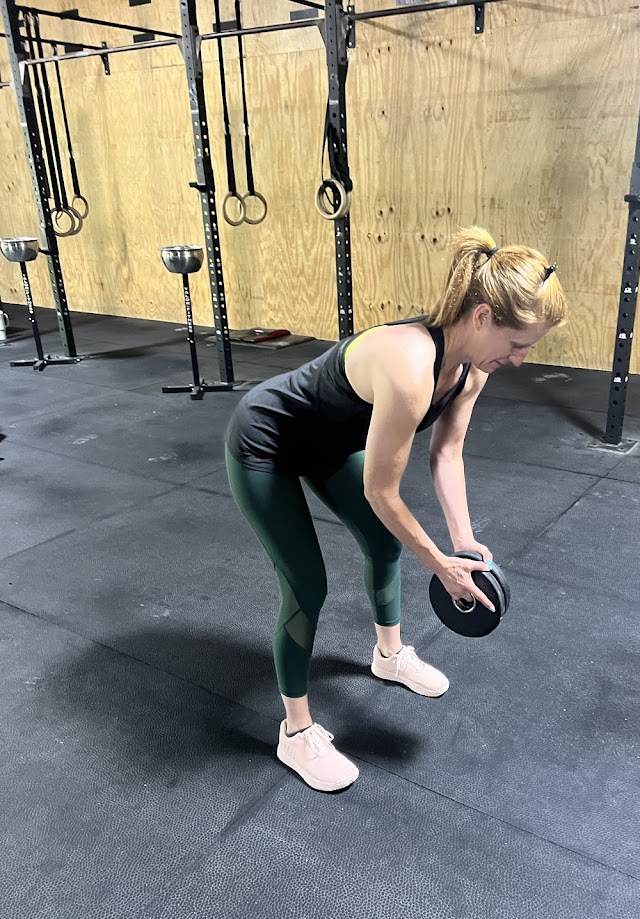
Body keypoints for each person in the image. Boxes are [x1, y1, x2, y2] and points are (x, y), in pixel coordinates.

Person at [224, 226, 567, 791]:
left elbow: (447, 453)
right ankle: (296, 732)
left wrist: (463, 542)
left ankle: (389, 655)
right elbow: (381, 492)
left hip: (328, 445)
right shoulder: (409, 365)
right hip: (267, 441)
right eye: (516, 343)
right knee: (307, 585)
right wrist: (439, 564)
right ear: (482, 316)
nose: (521, 359)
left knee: (384, 543)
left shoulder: (471, 371)